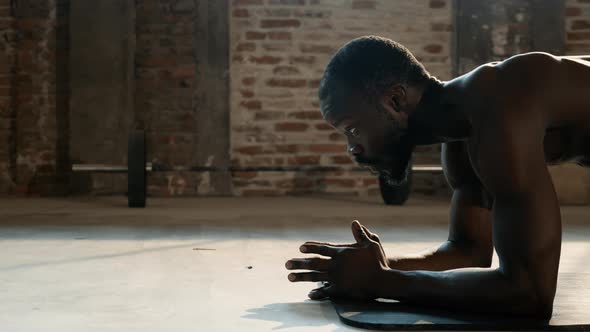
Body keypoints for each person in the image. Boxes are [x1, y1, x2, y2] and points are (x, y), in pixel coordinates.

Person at [285, 35, 590, 319]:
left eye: (352, 128)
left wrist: (380, 282)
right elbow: (468, 251)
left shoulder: (498, 108)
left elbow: (530, 295)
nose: (352, 148)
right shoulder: (461, 135)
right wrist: (375, 267)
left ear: (395, 102)